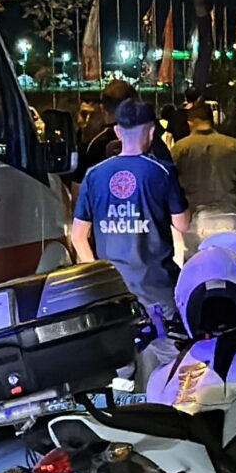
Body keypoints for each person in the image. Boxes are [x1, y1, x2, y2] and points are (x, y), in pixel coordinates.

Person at [71, 97, 191, 340]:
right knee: (170, 352)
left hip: (113, 292)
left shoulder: (94, 175)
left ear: (117, 132)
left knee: (121, 355)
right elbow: (182, 224)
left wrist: (100, 276)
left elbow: (78, 237)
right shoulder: (162, 171)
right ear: (152, 132)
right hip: (157, 288)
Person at [170, 102, 236, 261]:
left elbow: (170, 186)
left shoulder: (180, 149)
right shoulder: (232, 145)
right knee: (230, 266)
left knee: (198, 268)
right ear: (212, 120)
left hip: (194, 222)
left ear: (190, 123)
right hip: (228, 219)